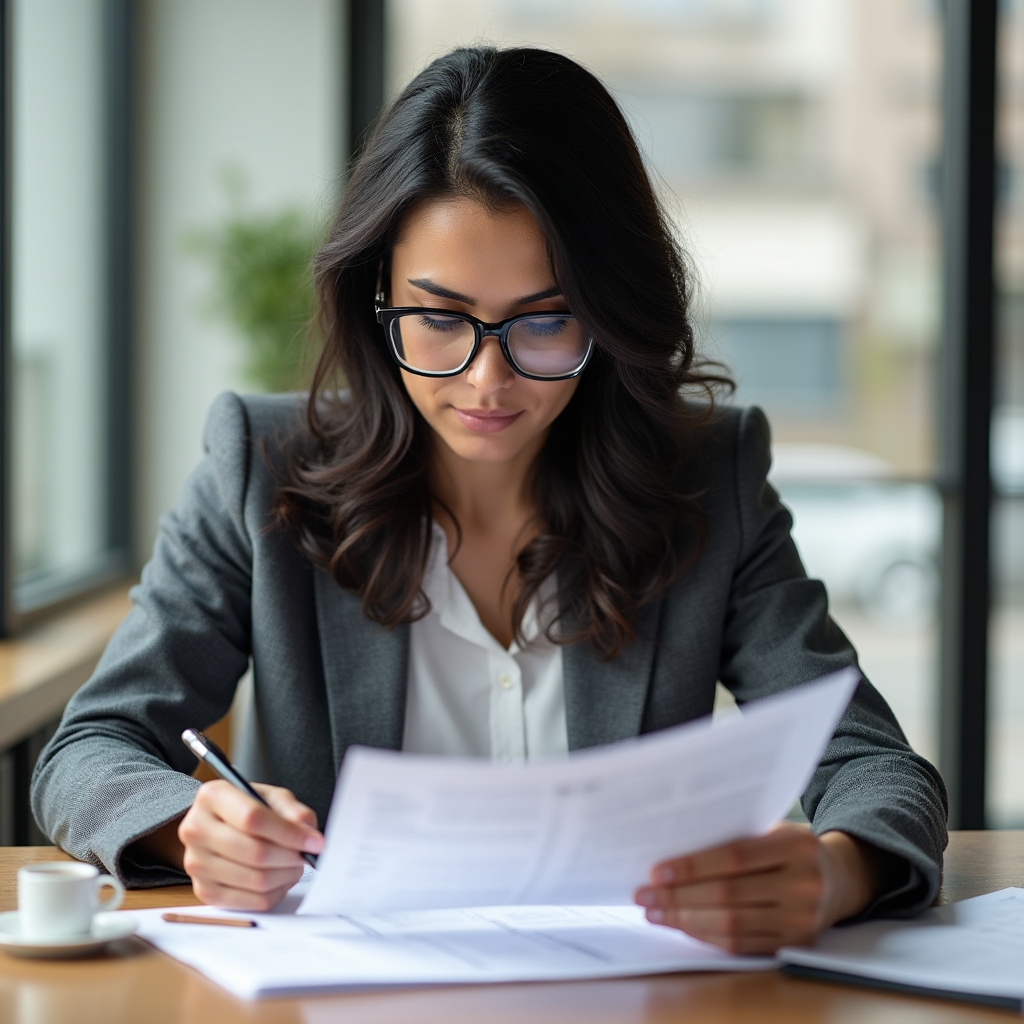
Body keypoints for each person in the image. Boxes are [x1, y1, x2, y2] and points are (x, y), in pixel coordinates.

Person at [32, 46, 946, 956]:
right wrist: (192, 826)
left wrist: (835, 872)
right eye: (440, 318)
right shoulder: (262, 467)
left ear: (609, 308)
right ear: (376, 296)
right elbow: (90, 749)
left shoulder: (708, 478)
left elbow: (872, 763)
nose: (489, 378)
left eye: (545, 319)